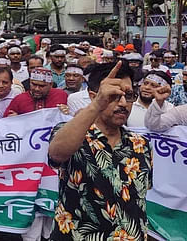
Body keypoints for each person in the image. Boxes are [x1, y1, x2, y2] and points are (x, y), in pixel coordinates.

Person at [48, 61, 152, 240]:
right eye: (113, 96)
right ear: (93, 96)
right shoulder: (72, 134)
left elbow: (139, 201)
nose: (122, 103)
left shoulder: (140, 144)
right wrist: (96, 106)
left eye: (128, 95)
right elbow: (57, 153)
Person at [4, 67, 68, 116]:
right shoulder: (19, 99)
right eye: (34, 84)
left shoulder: (61, 95)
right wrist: (13, 119)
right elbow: (5, 121)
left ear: (51, 85)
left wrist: (67, 112)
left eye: (42, 86)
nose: (37, 89)